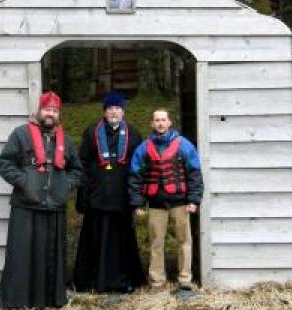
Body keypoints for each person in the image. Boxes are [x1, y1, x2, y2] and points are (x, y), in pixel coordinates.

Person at [0, 91, 83, 310]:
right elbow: (5, 163)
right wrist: (23, 181)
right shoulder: (20, 134)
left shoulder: (66, 141)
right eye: (47, 109)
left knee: (51, 256)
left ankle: (50, 300)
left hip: (55, 207)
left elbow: (77, 170)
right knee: (22, 255)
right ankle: (18, 301)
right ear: (39, 111)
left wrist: (65, 185)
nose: (50, 114)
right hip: (26, 205)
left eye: (54, 110)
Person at [73, 91, 145, 293]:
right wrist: (83, 194)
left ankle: (124, 280)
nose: (114, 112)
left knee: (122, 241)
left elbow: (139, 167)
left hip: (122, 198)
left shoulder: (134, 134)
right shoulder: (91, 133)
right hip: (98, 197)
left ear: (123, 112)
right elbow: (83, 164)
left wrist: (137, 198)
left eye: (118, 108)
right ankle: (92, 280)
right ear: (104, 112)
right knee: (95, 238)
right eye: (110, 108)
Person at [129, 109, 203, 292]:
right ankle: (157, 282)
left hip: (181, 203)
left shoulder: (184, 145)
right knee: (156, 243)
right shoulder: (144, 148)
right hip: (156, 204)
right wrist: (137, 203)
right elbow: (135, 176)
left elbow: (195, 174)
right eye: (157, 120)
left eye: (163, 120)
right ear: (152, 124)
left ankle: (185, 279)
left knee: (184, 241)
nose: (160, 123)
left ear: (169, 122)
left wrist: (194, 200)